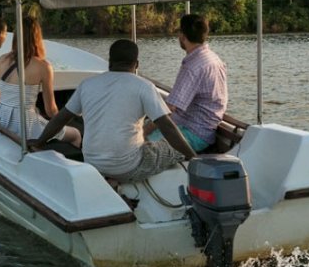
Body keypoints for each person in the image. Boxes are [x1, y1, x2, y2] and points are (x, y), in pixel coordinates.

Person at [32, 39, 196, 183]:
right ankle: (120, 180)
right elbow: (167, 127)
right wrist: (194, 158)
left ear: (110, 61)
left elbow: (61, 118)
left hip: (92, 163)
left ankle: (110, 182)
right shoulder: (144, 86)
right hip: (127, 168)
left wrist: (39, 142)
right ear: (136, 64)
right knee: (171, 148)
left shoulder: (87, 85)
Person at [0, 16, 82, 148]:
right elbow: (50, 110)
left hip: (2, 119)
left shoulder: (2, 60)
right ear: (37, 37)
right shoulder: (43, 66)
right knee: (76, 134)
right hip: (26, 126)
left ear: (16, 37)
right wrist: (61, 123)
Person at [152, 13, 227, 152]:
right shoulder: (213, 58)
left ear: (182, 35)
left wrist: (142, 131)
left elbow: (169, 108)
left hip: (193, 132)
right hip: (204, 128)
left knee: (139, 146)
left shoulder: (192, 66)